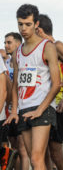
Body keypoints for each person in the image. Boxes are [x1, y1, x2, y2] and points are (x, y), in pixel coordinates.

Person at [4, 4, 61, 170]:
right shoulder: (17, 53)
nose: (23, 28)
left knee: (36, 159)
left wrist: (41, 109)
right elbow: (15, 85)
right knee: (33, 158)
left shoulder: (47, 47)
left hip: (42, 107)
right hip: (23, 108)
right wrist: (14, 110)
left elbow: (56, 84)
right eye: (20, 24)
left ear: (36, 24)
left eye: (28, 24)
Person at [36, 14, 63, 170]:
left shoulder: (57, 46)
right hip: (43, 104)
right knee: (43, 153)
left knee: (56, 152)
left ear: (39, 30)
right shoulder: (41, 50)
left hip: (56, 105)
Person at [4, 32, 30, 170]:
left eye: (9, 42)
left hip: (23, 109)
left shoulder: (25, 60)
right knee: (13, 148)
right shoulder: (6, 63)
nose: (6, 45)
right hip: (10, 111)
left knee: (22, 149)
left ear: (18, 44)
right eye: (5, 43)